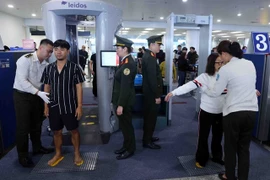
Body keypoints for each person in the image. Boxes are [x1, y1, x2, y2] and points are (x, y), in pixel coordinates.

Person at [201, 41, 259, 180]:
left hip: (233, 113)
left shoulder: (226, 69)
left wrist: (204, 88)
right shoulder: (249, 64)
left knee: (230, 147)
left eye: (221, 55)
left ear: (225, 53)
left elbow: (216, 92)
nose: (221, 59)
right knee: (244, 148)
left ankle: (230, 176)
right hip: (251, 111)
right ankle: (243, 177)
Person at [165, 53, 225, 168]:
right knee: (203, 136)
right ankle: (201, 158)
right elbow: (189, 86)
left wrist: (251, 92)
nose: (220, 65)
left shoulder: (226, 76)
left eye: (222, 62)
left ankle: (217, 156)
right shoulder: (204, 77)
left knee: (218, 136)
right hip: (207, 111)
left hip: (221, 112)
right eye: (218, 62)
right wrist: (174, 92)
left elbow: (238, 88)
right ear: (212, 63)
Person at [41, 39, 85, 167]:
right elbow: (47, 87)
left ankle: (77, 153)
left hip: (70, 105)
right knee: (56, 131)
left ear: (68, 51)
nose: (58, 52)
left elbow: (79, 87)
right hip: (54, 105)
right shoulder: (49, 68)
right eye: (56, 49)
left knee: (74, 130)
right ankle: (58, 153)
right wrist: (46, 105)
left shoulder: (74, 68)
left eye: (62, 49)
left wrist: (80, 106)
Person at [13, 39, 54, 168]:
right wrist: (38, 93)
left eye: (51, 52)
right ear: (40, 48)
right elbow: (22, 81)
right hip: (22, 96)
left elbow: (47, 82)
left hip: (36, 95)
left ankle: (37, 147)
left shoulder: (45, 65)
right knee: (23, 127)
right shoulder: (25, 60)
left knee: (37, 124)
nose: (50, 54)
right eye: (49, 51)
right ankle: (23, 155)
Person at [112, 35, 137, 160]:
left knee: (127, 126)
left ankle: (130, 149)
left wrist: (120, 104)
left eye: (118, 48)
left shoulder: (128, 65)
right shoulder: (124, 62)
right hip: (122, 99)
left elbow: (125, 87)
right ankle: (126, 145)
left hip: (124, 101)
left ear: (125, 49)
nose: (117, 50)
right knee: (124, 125)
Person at [142, 35, 163, 149]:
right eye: (158, 44)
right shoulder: (150, 57)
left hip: (149, 92)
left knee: (149, 116)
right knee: (151, 117)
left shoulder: (149, 56)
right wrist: (157, 95)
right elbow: (152, 79)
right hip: (151, 94)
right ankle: (147, 141)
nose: (159, 47)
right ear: (152, 44)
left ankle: (148, 136)